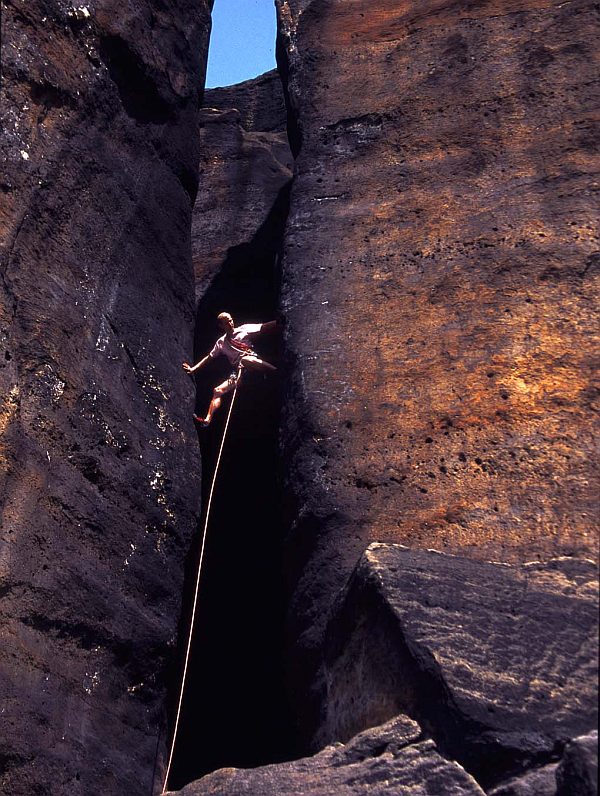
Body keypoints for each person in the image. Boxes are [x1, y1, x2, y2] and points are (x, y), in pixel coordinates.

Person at [183, 312, 277, 426]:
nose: (230, 323)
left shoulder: (243, 329)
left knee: (245, 360)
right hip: (239, 371)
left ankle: (276, 371)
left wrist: (278, 322)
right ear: (221, 326)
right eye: (226, 323)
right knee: (217, 391)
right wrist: (193, 369)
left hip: (251, 362)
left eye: (231, 320)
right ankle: (207, 420)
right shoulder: (221, 343)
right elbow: (209, 357)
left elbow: (263, 327)